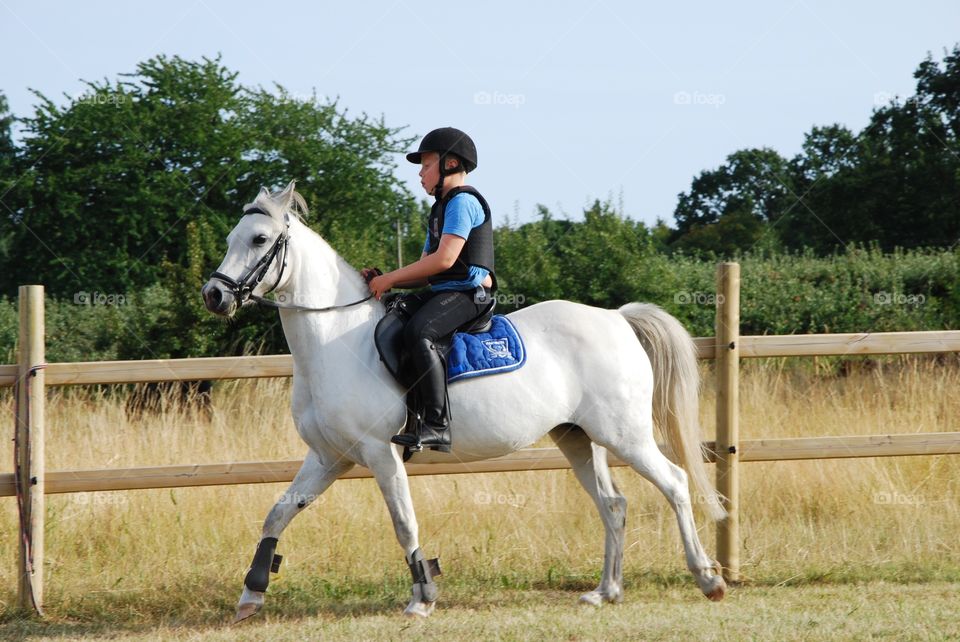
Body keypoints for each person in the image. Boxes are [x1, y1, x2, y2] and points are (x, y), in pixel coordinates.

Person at [363, 127, 495, 452]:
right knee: (394, 312)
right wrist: (384, 279)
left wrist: (390, 279)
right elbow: (425, 271)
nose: (420, 173)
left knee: (421, 332)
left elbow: (445, 259)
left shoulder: (462, 202)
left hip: (470, 294)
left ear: (449, 164)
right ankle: (411, 414)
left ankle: (437, 425)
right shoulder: (439, 210)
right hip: (444, 291)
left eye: (425, 164)